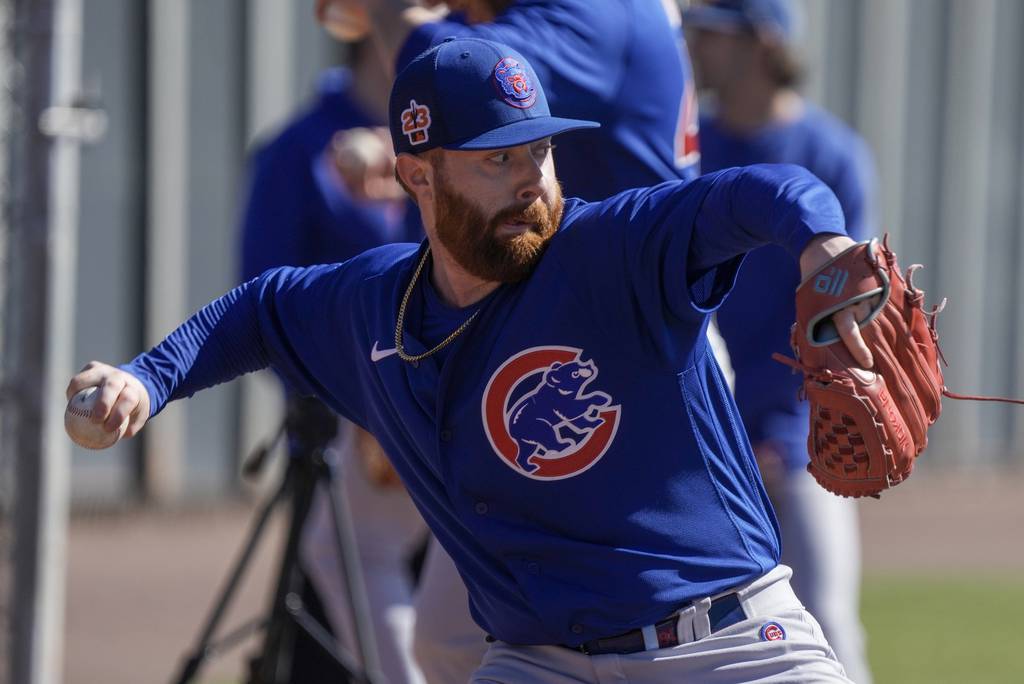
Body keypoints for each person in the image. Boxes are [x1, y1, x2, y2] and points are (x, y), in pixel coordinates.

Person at [69, 38, 870, 682]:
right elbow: (258, 310)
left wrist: (824, 247)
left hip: (728, 646)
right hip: (538, 662)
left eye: (541, 152)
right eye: (497, 160)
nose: (532, 181)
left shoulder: (613, 247)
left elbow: (763, 192)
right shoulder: (375, 305)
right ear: (417, 174)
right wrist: (146, 377)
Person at [315, 1, 707, 678]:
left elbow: (448, 68)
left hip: (632, 364)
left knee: (615, 629)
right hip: (561, 342)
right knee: (442, 625)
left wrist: (387, 11)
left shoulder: (592, 10)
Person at [684, 1, 876, 681]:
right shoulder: (690, 145)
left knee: (828, 624)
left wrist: (787, 430)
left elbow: (844, 318)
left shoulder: (832, 156)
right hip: (696, 435)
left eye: (712, 31)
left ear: (763, 43)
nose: (694, 43)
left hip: (798, 435)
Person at [238, 26, 427, 684]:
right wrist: (353, 405)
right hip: (346, 447)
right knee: (322, 659)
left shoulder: (454, 142)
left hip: (447, 431)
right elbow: (262, 303)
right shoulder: (300, 149)